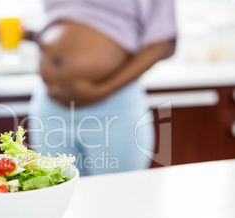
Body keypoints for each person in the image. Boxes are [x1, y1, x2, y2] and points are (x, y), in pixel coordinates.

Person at [25, 0, 177, 176]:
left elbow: (162, 41)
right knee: (56, 196)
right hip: (50, 106)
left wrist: (102, 91)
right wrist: (30, 35)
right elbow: (70, 20)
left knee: (116, 197)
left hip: (114, 108)